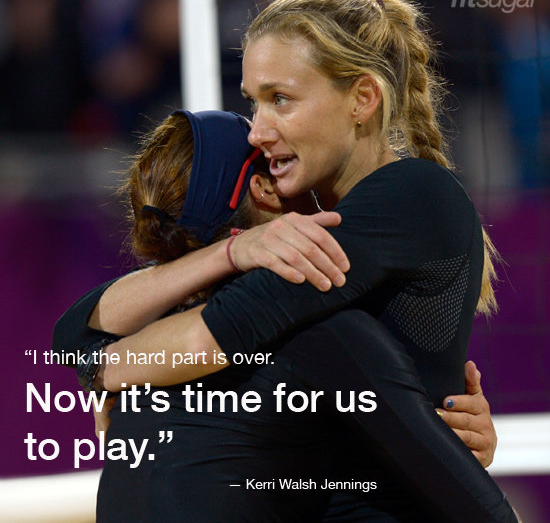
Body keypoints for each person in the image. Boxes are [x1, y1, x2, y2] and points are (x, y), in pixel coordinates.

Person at [54, 109, 515, 522]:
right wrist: (445, 442)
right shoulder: (319, 334)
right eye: (275, 163)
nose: (267, 132)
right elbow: (478, 507)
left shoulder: (147, 336)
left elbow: (72, 338)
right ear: (263, 188)